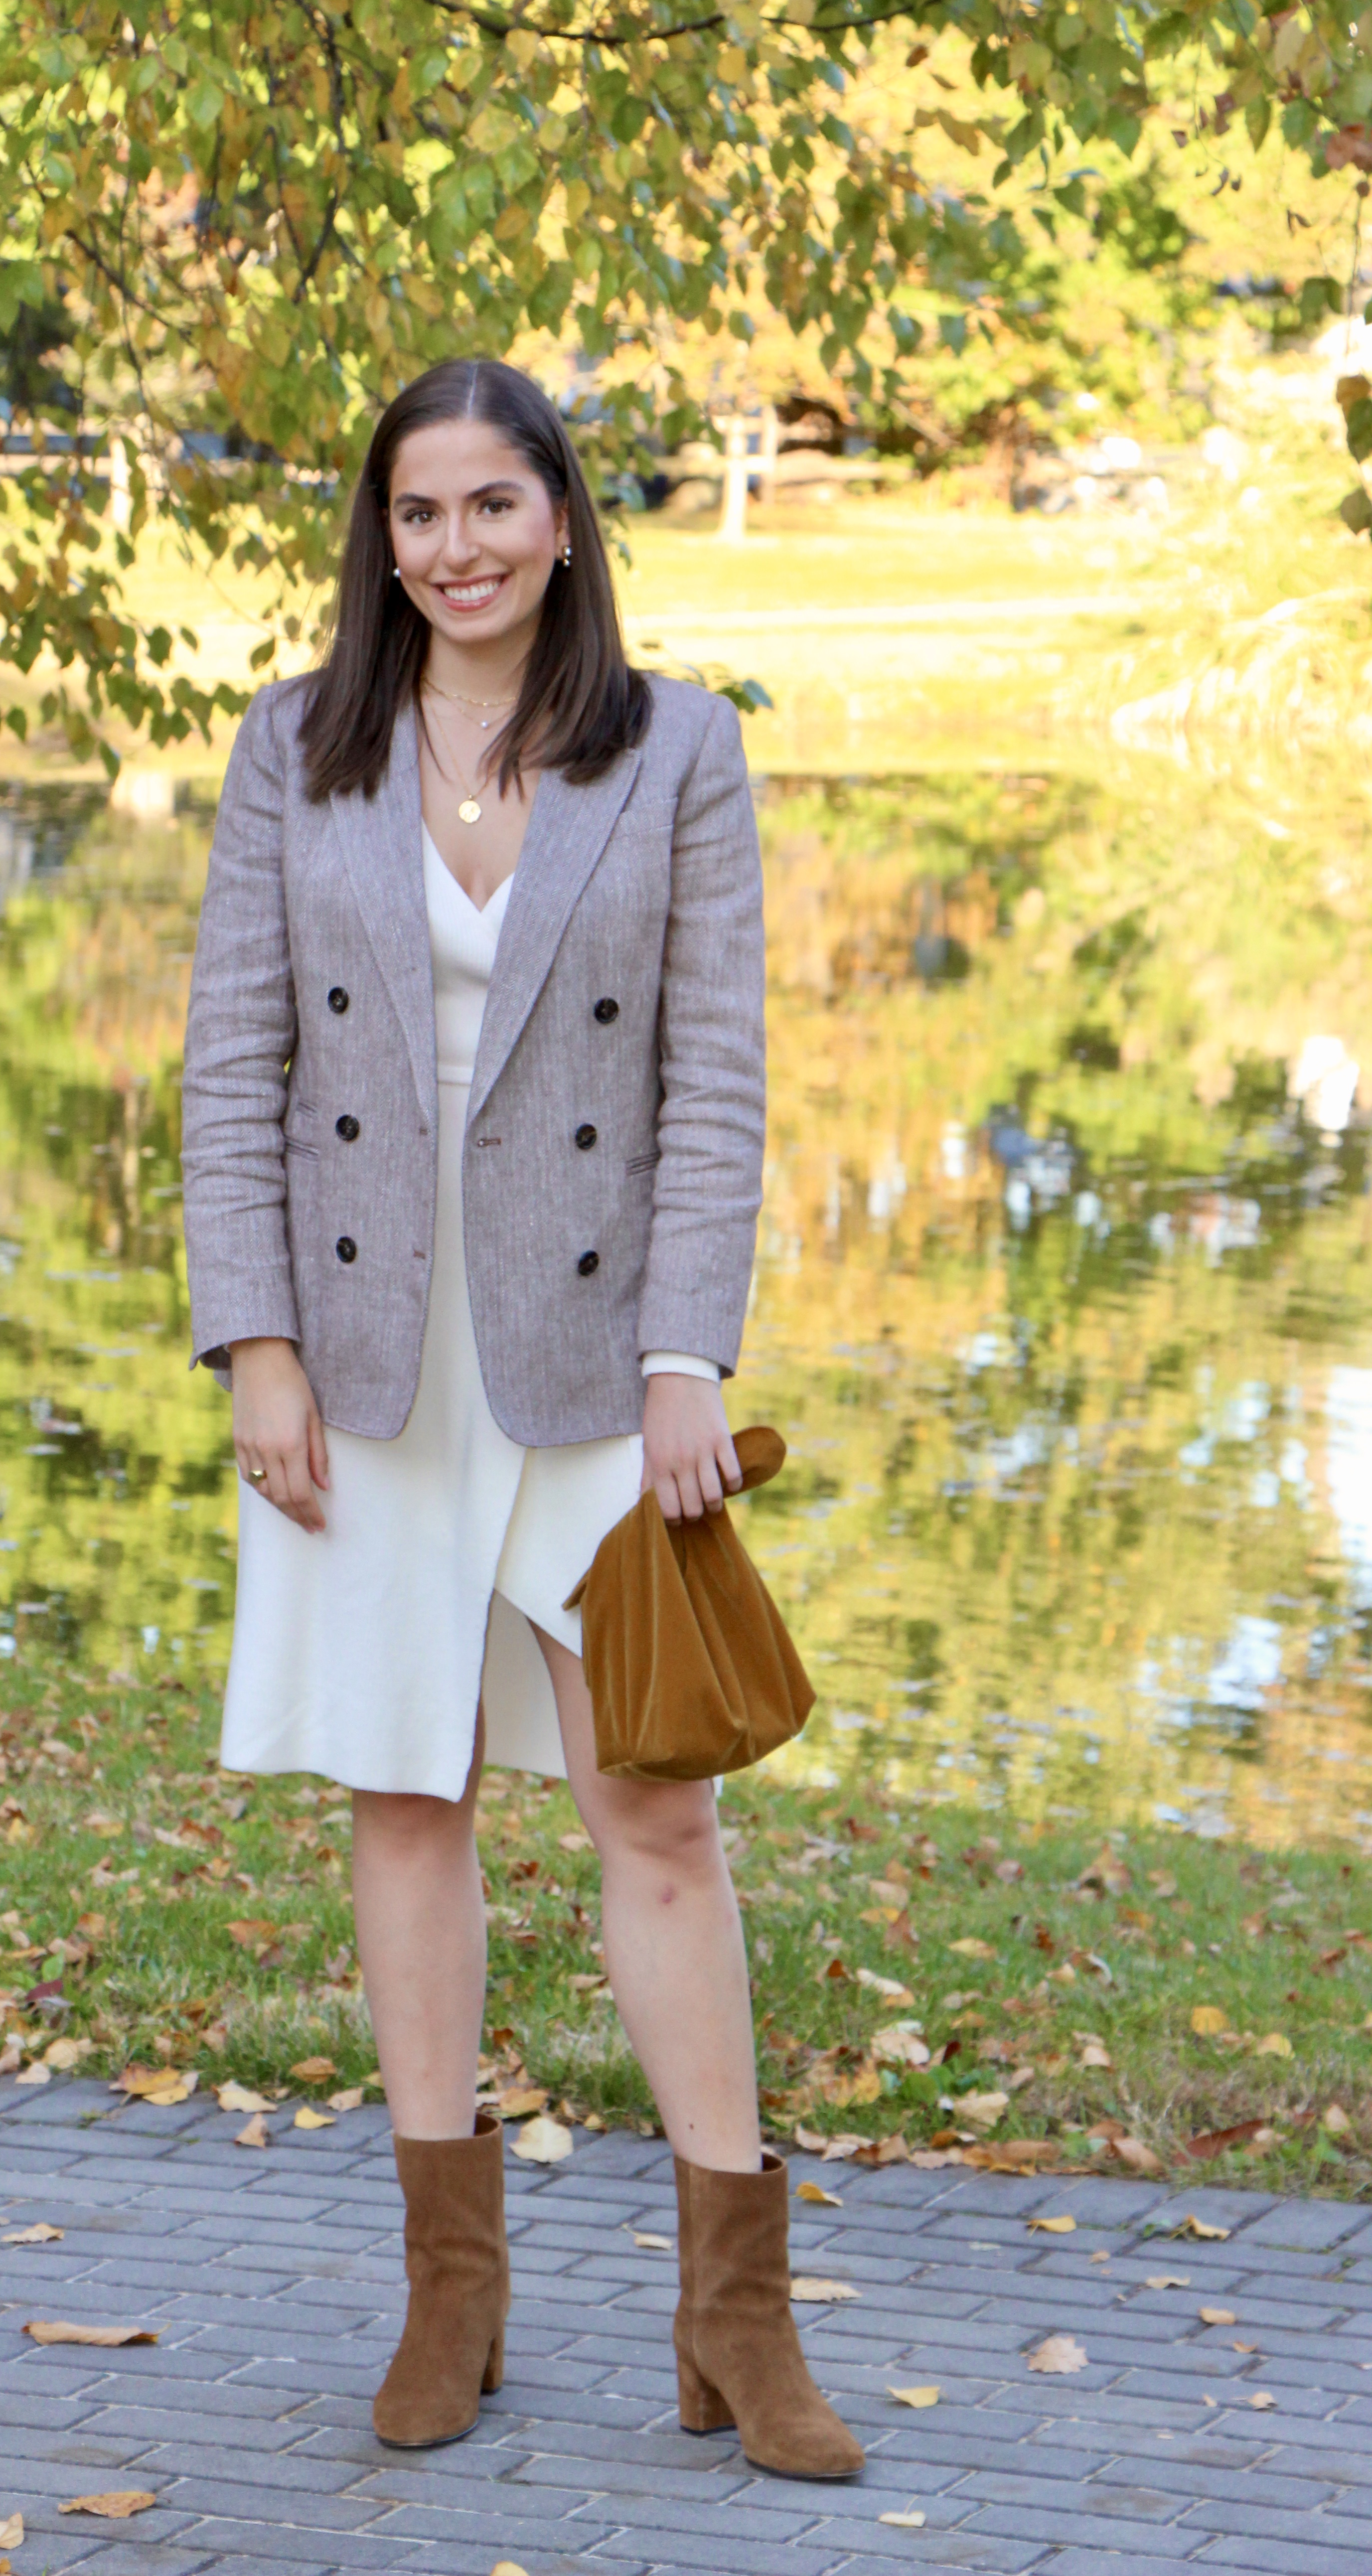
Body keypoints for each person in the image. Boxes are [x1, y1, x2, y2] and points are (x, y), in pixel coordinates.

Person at [181, 357, 862, 2482]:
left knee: (656, 1811)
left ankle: (736, 2316)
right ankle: (451, 2297)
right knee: (410, 1798)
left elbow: (715, 1086)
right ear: (380, 540)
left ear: (564, 520)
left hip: (586, 1369)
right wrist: (257, 1347)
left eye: (495, 506)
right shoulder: (295, 755)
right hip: (370, 1369)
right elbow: (232, 1077)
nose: (456, 548)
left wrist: (688, 1358)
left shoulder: (679, 754)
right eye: (417, 514)